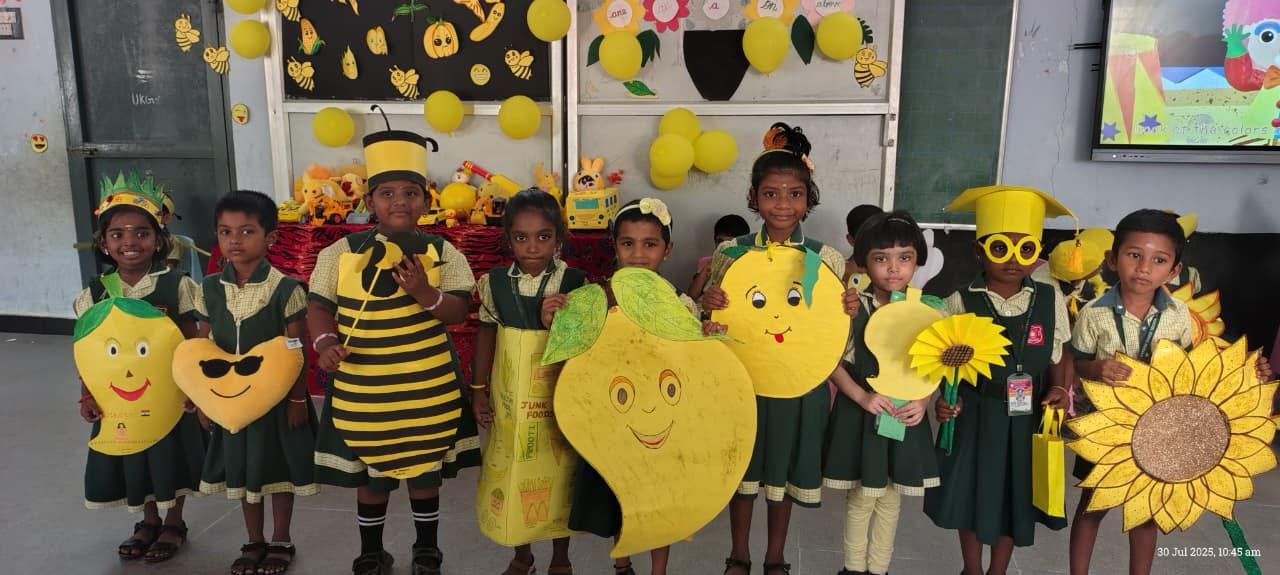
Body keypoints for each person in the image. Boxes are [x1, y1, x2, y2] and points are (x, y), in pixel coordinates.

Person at [307, 127, 480, 575]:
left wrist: (424, 291)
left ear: (427, 199)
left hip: (426, 390)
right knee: (372, 475)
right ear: (369, 201)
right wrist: (325, 343)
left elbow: (457, 310)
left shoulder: (445, 252)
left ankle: (427, 549)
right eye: (387, 193)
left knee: (424, 472)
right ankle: (371, 551)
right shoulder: (339, 253)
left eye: (410, 193)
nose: (399, 201)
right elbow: (319, 306)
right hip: (365, 391)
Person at [1066, 209, 1272, 575]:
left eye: (1158, 260)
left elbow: (1193, 370)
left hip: (1161, 427)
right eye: (1134, 255)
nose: (1144, 268)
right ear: (1112, 259)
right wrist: (1096, 369)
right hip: (1108, 427)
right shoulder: (1093, 313)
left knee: (1147, 510)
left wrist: (1246, 372)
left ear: (1174, 270)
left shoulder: (1178, 315)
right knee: (1093, 503)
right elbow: (1078, 361)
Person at [700, 123, 858, 575]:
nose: (783, 204)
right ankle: (739, 555)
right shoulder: (731, 254)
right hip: (744, 382)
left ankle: (775, 556)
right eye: (771, 194)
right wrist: (709, 305)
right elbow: (713, 325)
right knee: (743, 472)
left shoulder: (825, 259)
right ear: (754, 198)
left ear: (808, 199)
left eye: (794, 194)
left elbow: (835, 335)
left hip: (801, 384)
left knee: (783, 476)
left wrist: (850, 311)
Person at [549, 197, 710, 575]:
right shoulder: (598, 298)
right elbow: (578, 355)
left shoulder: (681, 303)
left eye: (650, 244)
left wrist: (709, 335)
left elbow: (693, 360)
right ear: (615, 246)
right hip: (617, 417)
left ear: (667, 249)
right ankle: (622, 565)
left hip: (663, 420)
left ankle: (658, 570)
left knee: (659, 500)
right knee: (621, 493)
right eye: (628, 243)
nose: (638, 254)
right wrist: (555, 316)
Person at [924, 185, 1073, 575]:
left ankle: (998, 570)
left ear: (1037, 253)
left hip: (1027, 417)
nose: (1013, 260)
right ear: (979, 251)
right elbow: (944, 362)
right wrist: (946, 398)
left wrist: (1059, 386)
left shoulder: (1049, 299)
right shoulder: (959, 301)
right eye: (1000, 248)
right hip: (977, 413)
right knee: (972, 494)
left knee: (1014, 495)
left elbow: (1059, 353)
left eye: (1026, 249)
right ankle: (972, 568)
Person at [72, 171, 206, 563]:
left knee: (171, 456)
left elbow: (193, 342)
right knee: (134, 452)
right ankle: (148, 520)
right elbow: (87, 352)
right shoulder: (94, 294)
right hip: (119, 398)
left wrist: (195, 389)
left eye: (141, 233)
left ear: (159, 240)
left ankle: (174, 522)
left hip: (169, 393)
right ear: (104, 243)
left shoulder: (178, 285)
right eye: (117, 234)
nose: (129, 242)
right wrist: (87, 393)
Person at [193, 190, 318, 575]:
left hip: (277, 401)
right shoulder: (209, 288)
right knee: (244, 471)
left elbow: (296, 349)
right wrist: (203, 400)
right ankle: (253, 541)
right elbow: (202, 348)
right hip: (230, 400)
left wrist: (297, 399)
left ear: (271, 238)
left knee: (277, 471)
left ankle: (281, 539)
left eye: (247, 231)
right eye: (225, 231)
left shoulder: (287, 289)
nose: (235, 240)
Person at [471, 188, 586, 575]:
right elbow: (486, 335)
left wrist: (561, 320)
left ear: (559, 238)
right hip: (509, 400)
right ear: (508, 239)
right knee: (513, 471)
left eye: (543, 236)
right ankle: (522, 556)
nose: (532, 247)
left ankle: (561, 558)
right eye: (521, 237)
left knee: (560, 477)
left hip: (559, 398)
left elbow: (585, 341)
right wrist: (478, 391)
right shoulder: (494, 282)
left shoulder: (574, 281)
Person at [823, 211, 941, 575]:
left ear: (917, 261)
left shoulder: (929, 309)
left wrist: (923, 400)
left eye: (904, 257)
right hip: (861, 410)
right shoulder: (850, 306)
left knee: (890, 500)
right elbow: (828, 360)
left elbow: (939, 364)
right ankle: (853, 569)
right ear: (864, 261)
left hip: (904, 413)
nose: (893, 268)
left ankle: (879, 569)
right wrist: (861, 396)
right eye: (881, 258)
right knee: (862, 497)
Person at [688, 214, 749, 301]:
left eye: (729, 243)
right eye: (720, 241)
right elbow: (691, 296)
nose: (724, 246)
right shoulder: (706, 262)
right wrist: (705, 270)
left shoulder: (747, 265)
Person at [843, 204, 884, 289]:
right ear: (851, 240)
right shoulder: (839, 270)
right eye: (867, 239)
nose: (877, 244)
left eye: (883, 237)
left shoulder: (896, 273)